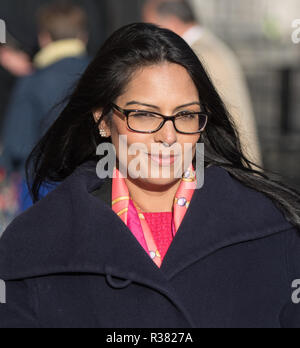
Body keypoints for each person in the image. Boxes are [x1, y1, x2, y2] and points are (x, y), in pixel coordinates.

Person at [0, 23, 299, 328]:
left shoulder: (271, 229)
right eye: (144, 115)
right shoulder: (36, 242)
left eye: (185, 115)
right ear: (103, 119)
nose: (168, 136)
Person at [143, 0, 263, 167]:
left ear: (171, 22)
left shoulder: (199, 54)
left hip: (225, 165)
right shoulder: (209, 46)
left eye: (152, 26)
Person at [0, 2, 90, 177]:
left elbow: (17, 145)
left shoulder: (33, 82)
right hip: (93, 183)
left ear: (43, 38)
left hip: (44, 185)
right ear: (84, 36)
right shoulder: (104, 75)